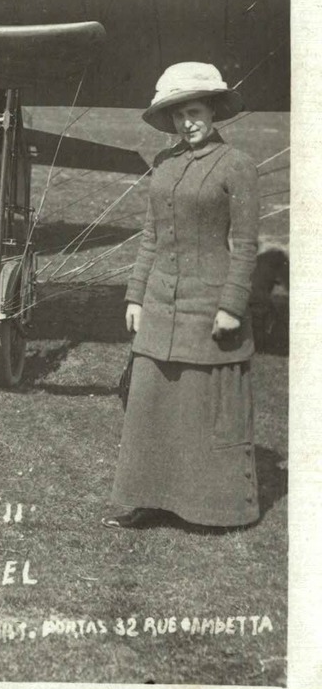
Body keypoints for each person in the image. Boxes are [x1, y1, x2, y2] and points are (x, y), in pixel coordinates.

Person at [103, 62, 260, 530]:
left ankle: (214, 509)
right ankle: (144, 499)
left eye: (193, 112)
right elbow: (150, 235)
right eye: (176, 115)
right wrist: (135, 296)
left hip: (208, 307)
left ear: (212, 111)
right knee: (151, 406)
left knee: (201, 409)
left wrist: (231, 306)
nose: (185, 122)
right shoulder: (164, 164)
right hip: (159, 306)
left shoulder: (237, 165)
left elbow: (247, 246)